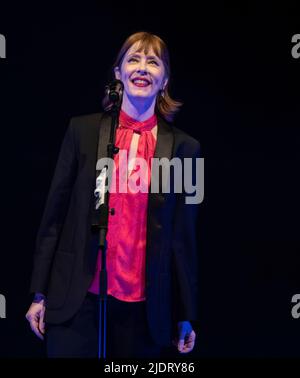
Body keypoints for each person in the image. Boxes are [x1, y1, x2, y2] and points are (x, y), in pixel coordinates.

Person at [25, 31, 201, 358]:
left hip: (144, 311)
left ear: (165, 80)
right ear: (118, 73)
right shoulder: (82, 130)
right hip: (78, 301)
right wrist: (39, 293)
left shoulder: (188, 150)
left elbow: (184, 237)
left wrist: (186, 313)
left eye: (153, 62)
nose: (142, 68)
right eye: (133, 59)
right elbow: (54, 217)